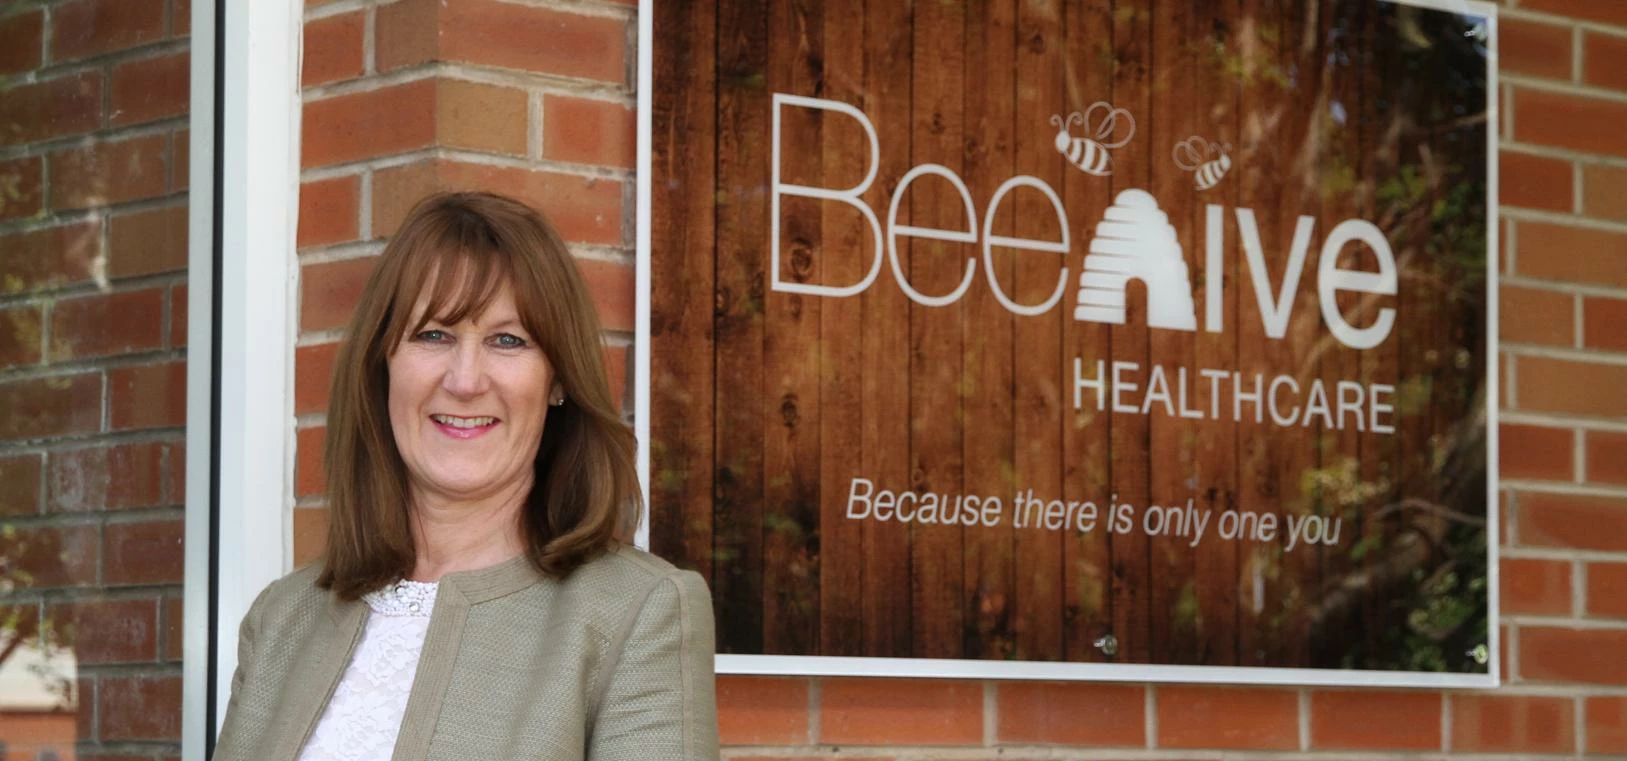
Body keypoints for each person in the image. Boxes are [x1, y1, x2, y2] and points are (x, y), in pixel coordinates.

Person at [213, 191, 718, 761]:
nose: (465, 379)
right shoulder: (284, 617)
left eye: (508, 340)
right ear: (384, 366)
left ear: (557, 381)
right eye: (434, 335)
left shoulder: (637, 611)